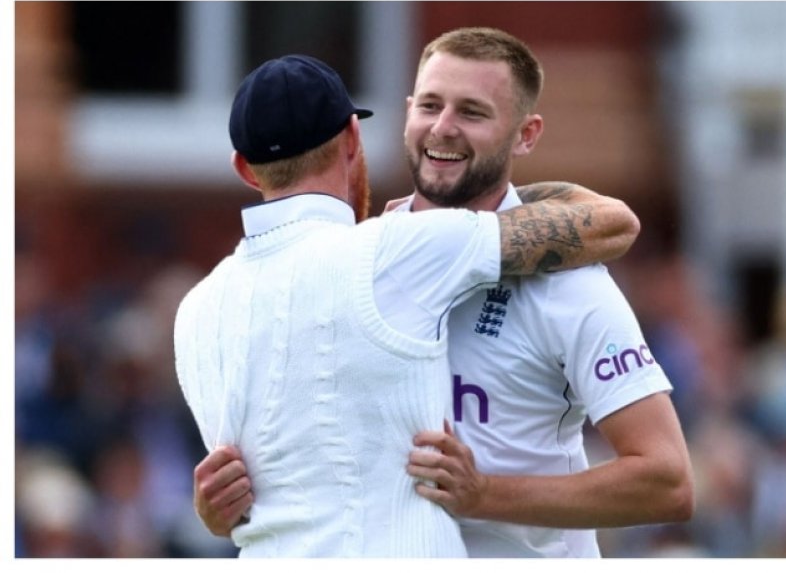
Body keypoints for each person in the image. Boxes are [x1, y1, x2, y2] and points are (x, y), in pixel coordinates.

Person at [192, 27, 694, 558]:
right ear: (406, 113)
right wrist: (227, 511)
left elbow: (667, 481)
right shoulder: (355, 262)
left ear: (526, 135)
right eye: (430, 105)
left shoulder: (568, 282)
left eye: (472, 112)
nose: (444, 128)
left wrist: (484, 496)